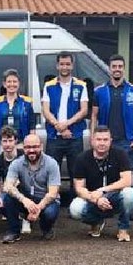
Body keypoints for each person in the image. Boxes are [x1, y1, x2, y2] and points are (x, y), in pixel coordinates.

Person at [69, 126, 133, 242]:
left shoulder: (120, 154)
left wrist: (103, 190)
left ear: (111, 141)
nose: (102, 143)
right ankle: (96, 222)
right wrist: (96, 199)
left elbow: (128, 180)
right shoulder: (82, 158)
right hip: (93, 197)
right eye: (99, 139)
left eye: (105, 140)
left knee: (129, 193)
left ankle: (123, 229)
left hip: (115, 196)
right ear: (92, 141)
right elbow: (79, 188)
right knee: (75, 209)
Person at [41, 51, 88, 200]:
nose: (65, 67)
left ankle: (77, 202)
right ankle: (51, 200)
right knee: (51, 171)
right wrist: (58, 126)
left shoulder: (81, 86)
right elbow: (46, 110)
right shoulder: (49, 86)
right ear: (57, 65)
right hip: (54, 137)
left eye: (68, 64)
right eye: (62, 64)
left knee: (76, 171)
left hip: (75, 136)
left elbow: (84, 110)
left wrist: (66, 124)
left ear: (72, 65)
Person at [1, 134, 61, 243]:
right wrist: (24, 200)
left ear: (41, 147)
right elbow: (7, 186)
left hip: (46, 200)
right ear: (23, 148)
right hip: (27, 199)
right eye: (28, 147)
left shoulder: (52, 163)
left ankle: (47, 229)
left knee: (50, 213)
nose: (32, 150)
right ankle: (13, 231)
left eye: (35, 147)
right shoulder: (16, 163)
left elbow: (53, 193)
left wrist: (38, 208)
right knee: (6, 198)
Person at [91, 54, 133, 169]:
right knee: (105, 173)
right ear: (109, 68)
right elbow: (94, 116)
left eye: (120, 66)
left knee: (127, 174)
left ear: (124, 69)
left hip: (127, 141)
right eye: (114, 66)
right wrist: (93, 137)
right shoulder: (99, 91)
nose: (117, 69)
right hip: (105, 141)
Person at [0, 125, 30, 234]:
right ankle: (16, 220)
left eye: (10, 140)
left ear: (16, 141)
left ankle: (27, 217)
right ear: (0, 142)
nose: (7, 144)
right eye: (4, 141)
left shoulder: (24, 156)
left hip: (26, 190)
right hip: (9, 191)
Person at [0, 69, 35, 161]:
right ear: (4, 84)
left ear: (19, 83)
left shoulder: (27, 103)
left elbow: (32, 126)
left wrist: (31, 145)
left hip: (21, 143)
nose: (12, 84)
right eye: (9, 82)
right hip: (3, 144)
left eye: (14, 81)